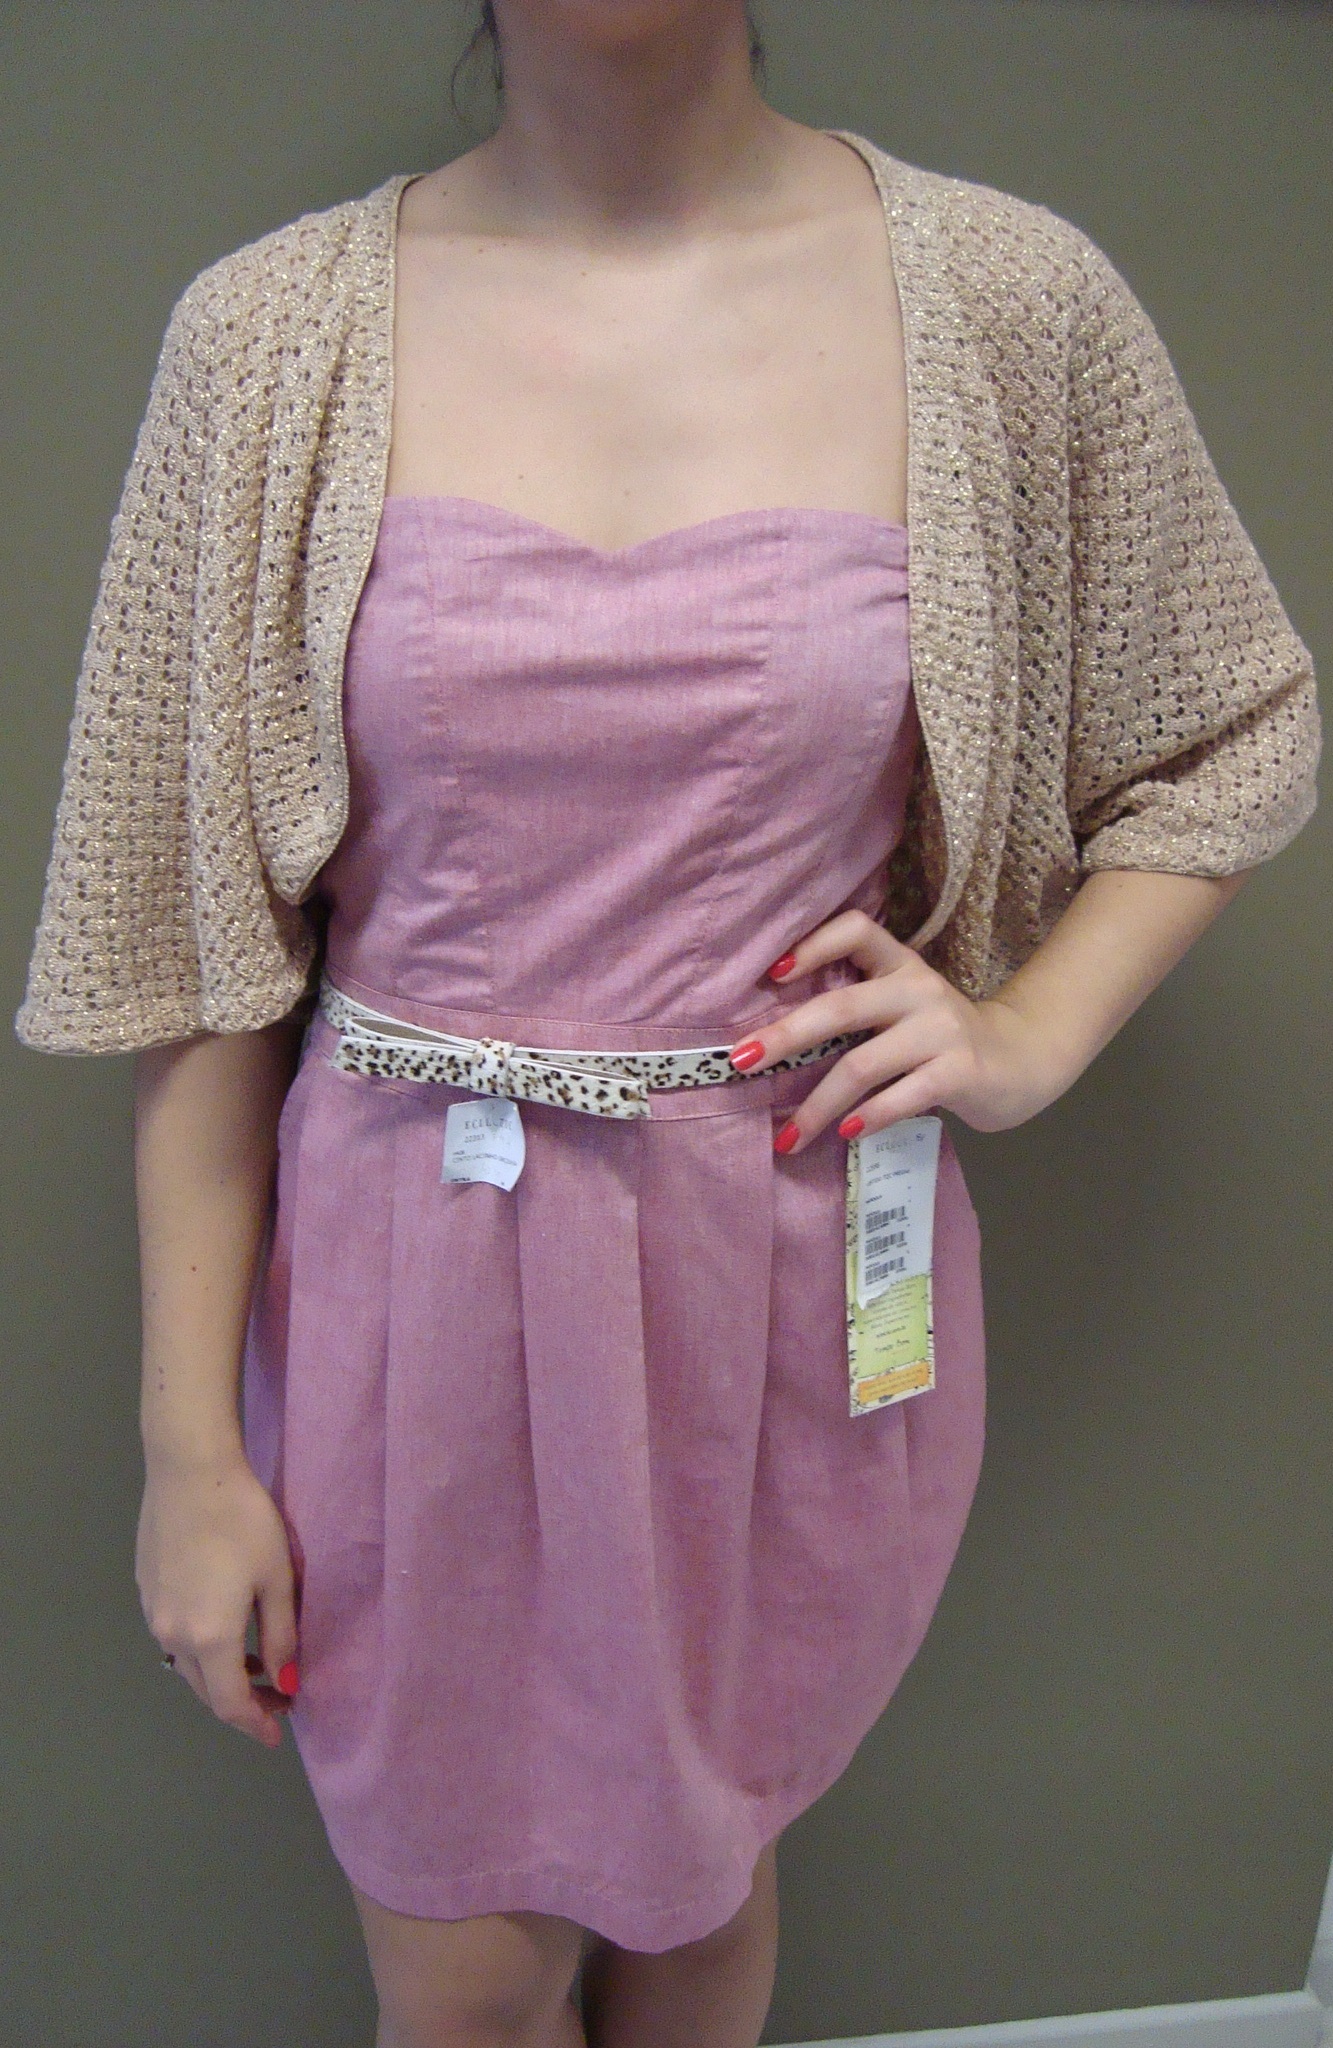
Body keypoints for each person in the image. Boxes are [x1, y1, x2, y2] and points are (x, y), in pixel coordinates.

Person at [14, 4, 1320, 2045]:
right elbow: (189, 951)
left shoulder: (1007, 301)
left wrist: (1028, 1031)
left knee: (705, 1888)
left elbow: (1232, 725)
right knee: (465, 1985)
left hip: (785, 1269)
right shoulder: (267, 339)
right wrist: (188, 1456)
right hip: (410, 1295)